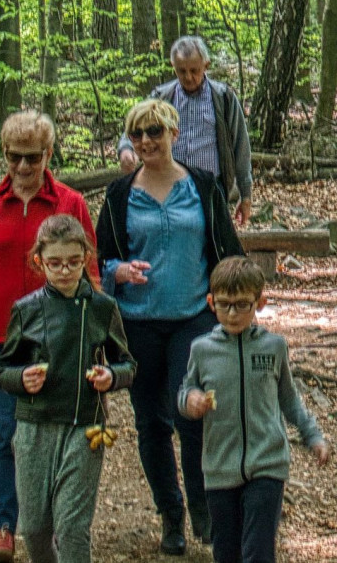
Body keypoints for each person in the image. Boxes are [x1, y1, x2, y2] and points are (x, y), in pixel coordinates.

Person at [0, 111, 99, 563]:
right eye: (15, 157)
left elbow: (89, 271)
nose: (24, 166)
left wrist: (96, 337)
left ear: (49, 154)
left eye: (33, 157)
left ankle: (46, 524)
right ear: (4, 156)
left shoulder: (69, 203)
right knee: (4, 434)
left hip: (59, 337)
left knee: (51, 432)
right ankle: (3, 529)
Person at [97, 99, 245, 555]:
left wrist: (238, 300)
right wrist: (117, 272)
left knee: (192, 415)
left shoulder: (202, 186)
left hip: (193, 319)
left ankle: (203, 508)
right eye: (138, 134)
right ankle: (171, 515)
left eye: (155, 132)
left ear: (175, 134)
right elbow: (101, 258)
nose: (146, 142)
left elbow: (227, 248)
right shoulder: (119, 194)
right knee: (152, 424)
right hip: (138, 322)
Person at [0, 215, 135, 563]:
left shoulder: (102, 308)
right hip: (34, 425)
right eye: (54, 263)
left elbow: (128, 364)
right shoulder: (26, 309)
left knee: (72, 526)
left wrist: (111, 376)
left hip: (84, 424)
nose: (65, 271)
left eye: (74, 262)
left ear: (86, 257)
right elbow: (2, 369)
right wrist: (22, 377)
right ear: (39, 261)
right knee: (35, 527)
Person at [179, 257, 330, 563]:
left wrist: (312, 435)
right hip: (220, 467)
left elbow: (289, 398)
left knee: (259, 553)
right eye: (224, 305)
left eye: (242, 304)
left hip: (267, 463)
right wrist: (191, 401)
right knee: (226, 553)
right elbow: (185, 392)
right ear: (211, 303)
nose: (232, 313)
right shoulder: (202, 350)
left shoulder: (273, 347)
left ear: (260, 302)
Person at [117, 36, 254, 225]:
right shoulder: (162, 97)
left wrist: (245, 194)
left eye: (194, 70)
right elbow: (133, 128)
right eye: (182, 71)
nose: (188, 77)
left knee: (212, 247)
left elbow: (241, 146)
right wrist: (126, 149)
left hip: (211, 188)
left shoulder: (223, 98)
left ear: (206, 65)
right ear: (173, 66)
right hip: (167, 187)